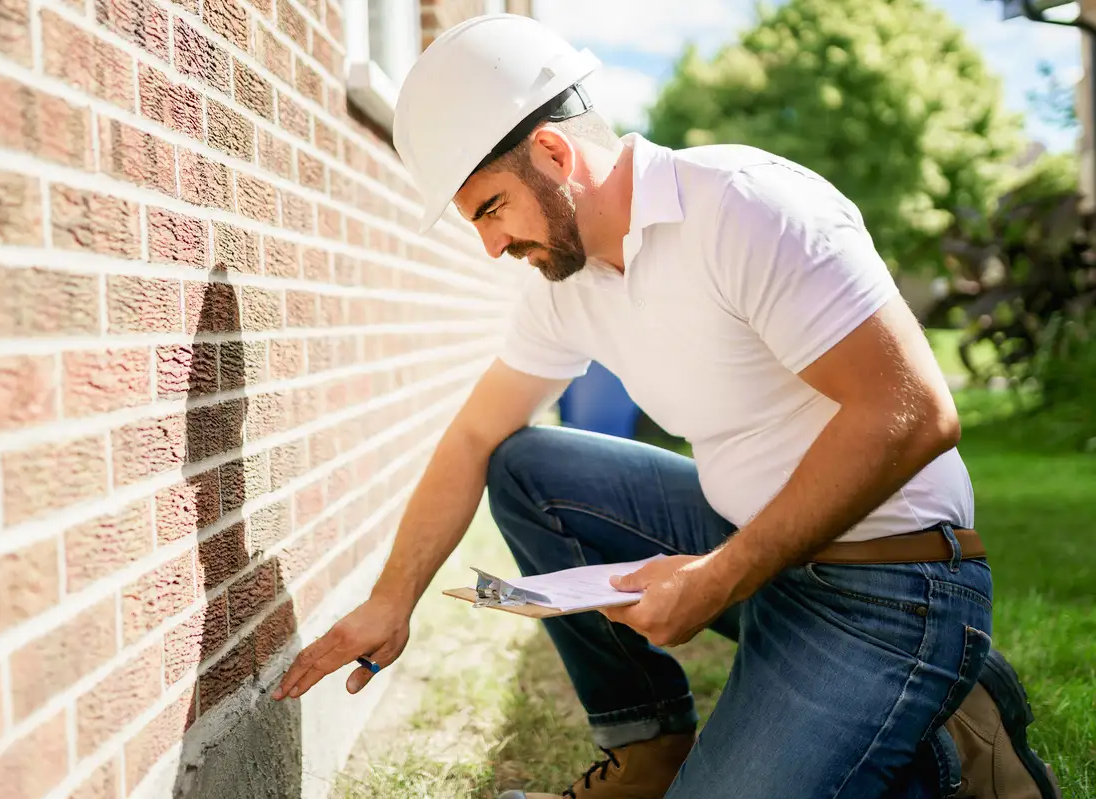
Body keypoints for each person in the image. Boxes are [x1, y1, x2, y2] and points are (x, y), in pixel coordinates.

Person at [273, 14, 1061, 799]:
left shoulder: (746, 207)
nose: (491, 245)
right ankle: (649, 746)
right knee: (524, 465)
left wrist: (721, 574)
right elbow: (477, 432)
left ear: (552, 153)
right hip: (759, 555)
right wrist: (390, 598)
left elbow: (914, 411)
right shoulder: (566, 283)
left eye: (490, 209)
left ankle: (936, 741)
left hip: (890, 587)